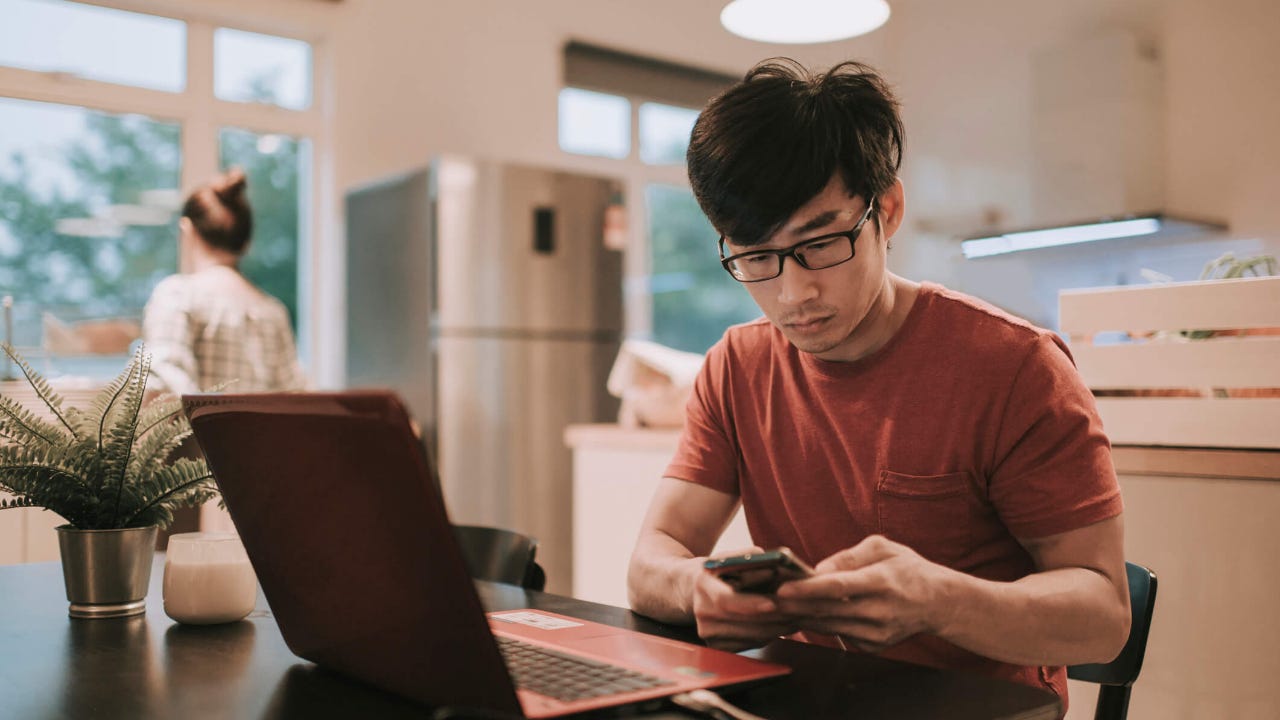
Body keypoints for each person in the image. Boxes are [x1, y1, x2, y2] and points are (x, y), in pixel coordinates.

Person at [626, 59, 1129, 713]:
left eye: (821, 242)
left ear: (886, 211)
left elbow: (1103, 614)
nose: (792, 293)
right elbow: (651, 562)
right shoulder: (738, 367)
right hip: (809, 698)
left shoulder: (1015, 369)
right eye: (755, 257)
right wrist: (700, 590)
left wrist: (937, 600)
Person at [142, 168, 306, 396]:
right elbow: (294, 399)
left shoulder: (178, 295)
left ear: (187, 230)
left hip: (201, 433)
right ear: (246, 243)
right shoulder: (273, 312)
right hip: (261, 433)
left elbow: (164, 388)